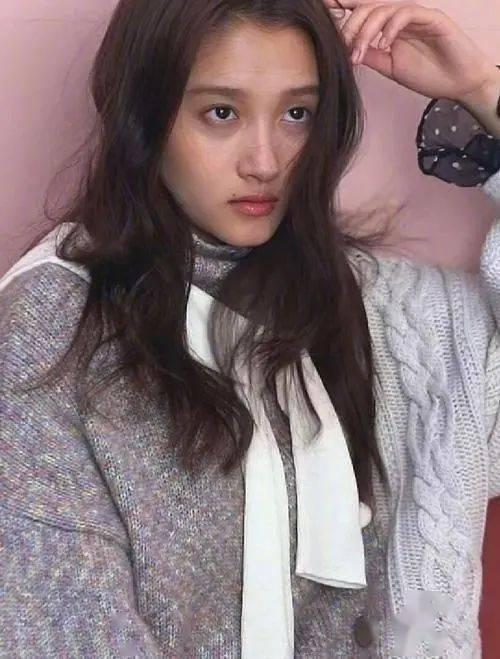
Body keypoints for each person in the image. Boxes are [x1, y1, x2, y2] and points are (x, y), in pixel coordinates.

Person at [1, 0, 499, 656]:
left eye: (297, 114)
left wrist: (483, 90)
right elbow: (55, 628)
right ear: (143, 117)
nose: (265, 161)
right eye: (221, 113)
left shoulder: (384, 312)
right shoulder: (55, 326)